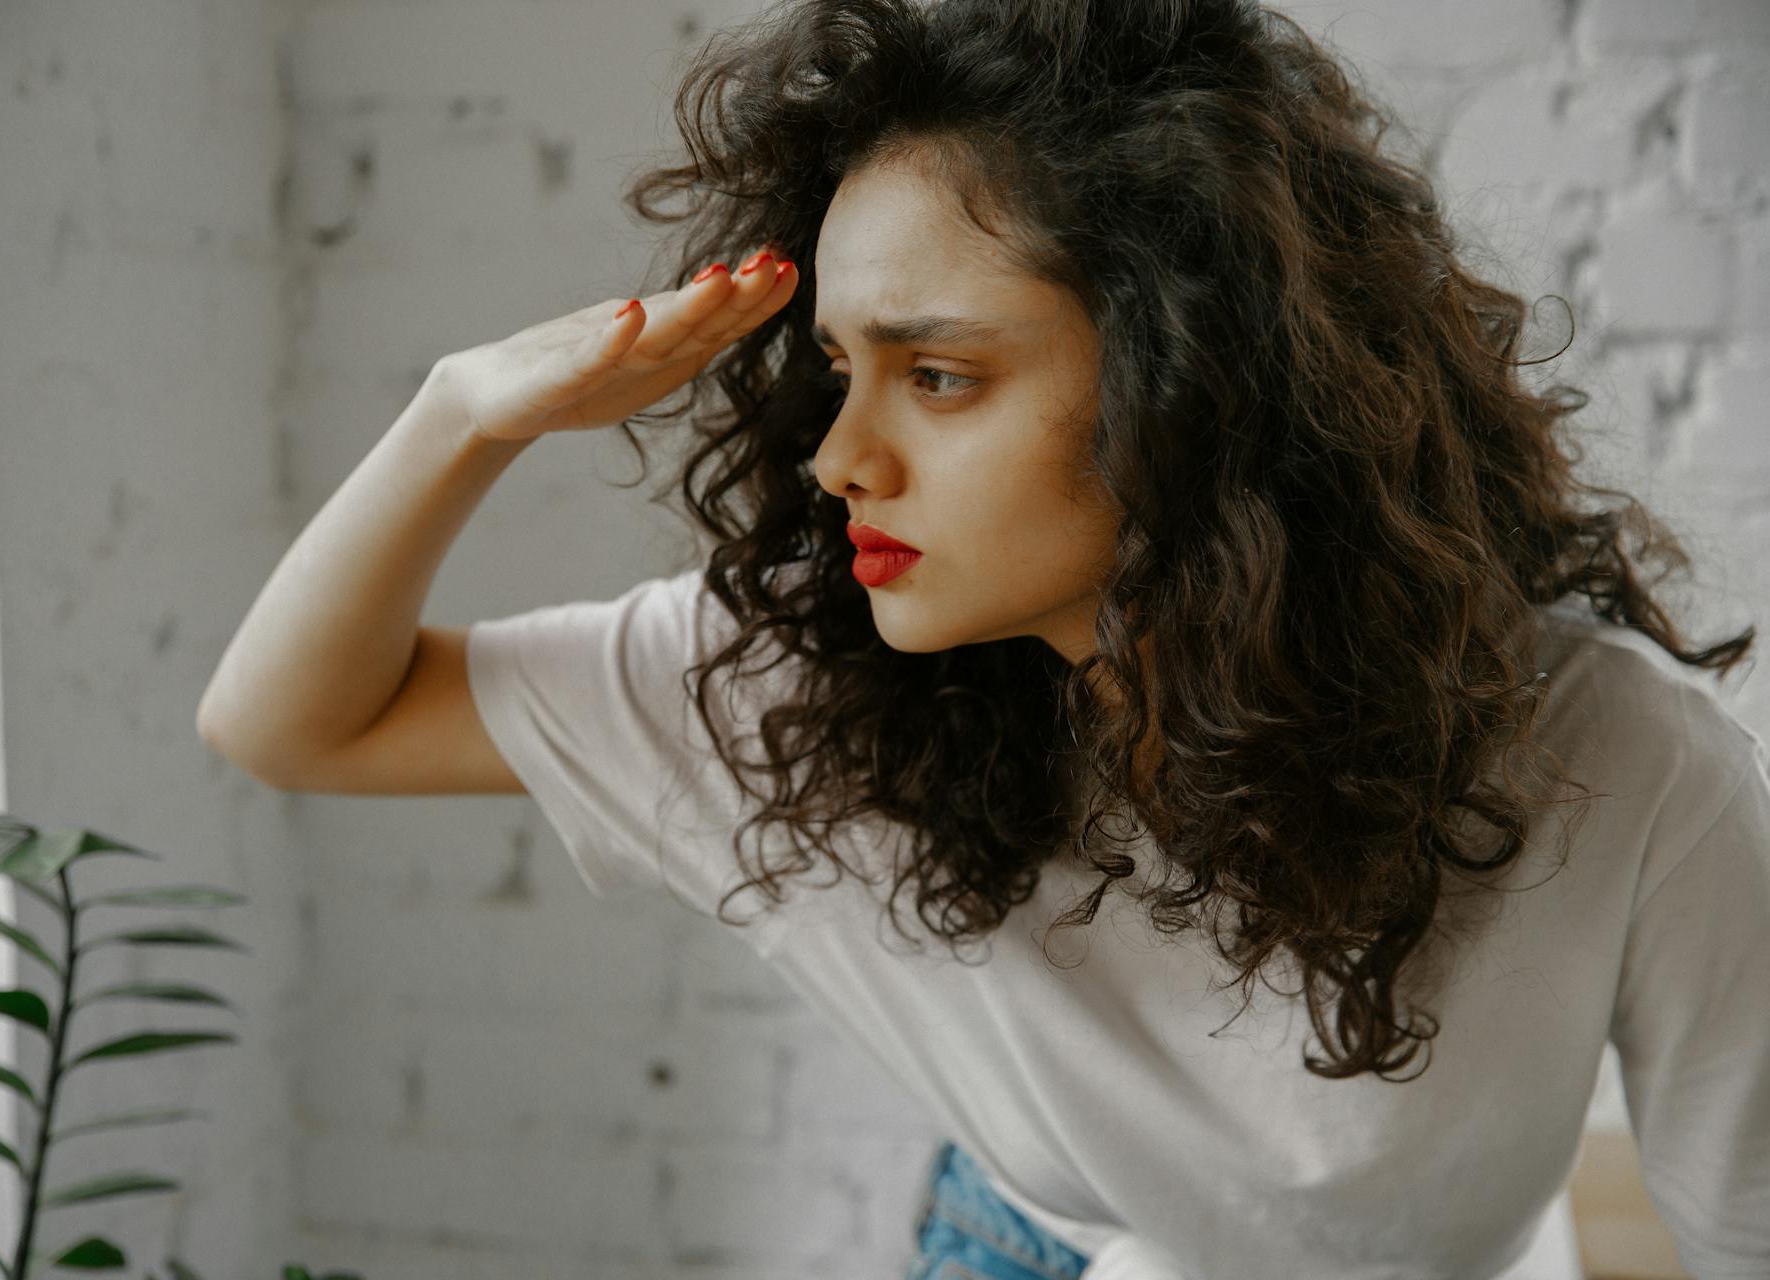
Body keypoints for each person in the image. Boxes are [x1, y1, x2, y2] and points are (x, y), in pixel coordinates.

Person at [195, 0, 1770, 1275]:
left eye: (937, 377)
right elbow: (290, 725)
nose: (838, 460)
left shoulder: (1622, 761)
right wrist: (462, 418)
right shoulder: (805, 690)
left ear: (1195, 385)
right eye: (837, 368)